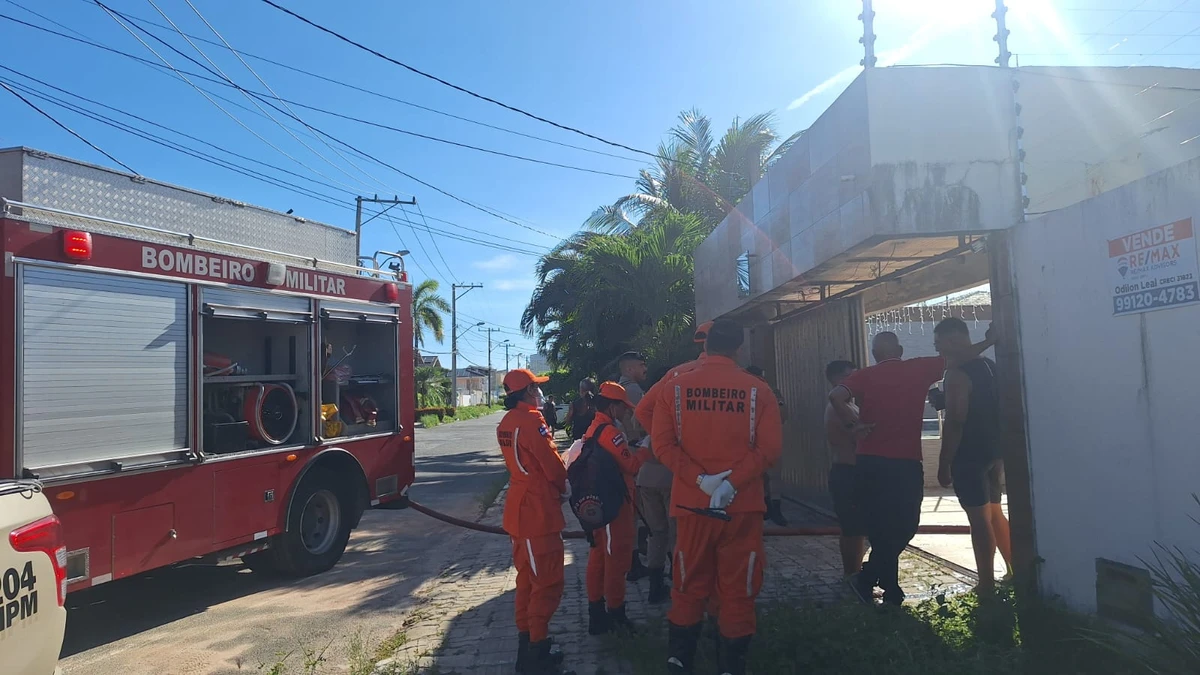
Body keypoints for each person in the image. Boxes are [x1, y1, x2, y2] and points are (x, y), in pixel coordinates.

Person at [652, 319, 783, 675]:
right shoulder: (759, 390)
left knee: (687, 583)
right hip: (741, 508)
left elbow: (662, 445)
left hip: (691, 505)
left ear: (706, 344)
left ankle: (680, 661)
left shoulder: (674, 388)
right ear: (738, 347)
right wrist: (732, 483)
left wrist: (701, 479)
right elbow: (769, 449)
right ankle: (731, 666)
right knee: (739, 588)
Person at [829, 329, 994, 606]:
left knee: (882, 527)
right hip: (905, 462)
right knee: (906, 524)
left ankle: (875, 582)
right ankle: (880, 584)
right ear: (901, 351)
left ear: (874, 354)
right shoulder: (919, 367)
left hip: (870, 461)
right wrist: (989, 341)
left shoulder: (864, 375)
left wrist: (852, 425)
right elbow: (959, 358)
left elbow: (835, 396)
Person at [496, 369, 571, 675]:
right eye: (536, 388)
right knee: (548, 582)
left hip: (520, 508)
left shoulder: (507, 421)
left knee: (527, 582)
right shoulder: (531, 420)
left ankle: (527, 650)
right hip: (537, 511)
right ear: (527, 391)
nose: (540, 394)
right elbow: (551, 463)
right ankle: (537, 654)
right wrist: (564, 484)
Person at [933, 318, 1012, 594]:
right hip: (994, 449)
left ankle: (986, 584)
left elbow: (956, 419)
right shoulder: (990, 366)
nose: (937, 349)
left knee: (978, 520)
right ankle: (1014, 571)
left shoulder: (956, 374)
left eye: (939, 343)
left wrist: (945, 462)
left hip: (969, 453)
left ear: (953, 341)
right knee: (994, 512)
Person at [584, 381, 651, 635]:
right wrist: (645, 449)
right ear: (613, 407)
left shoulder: (594, 427)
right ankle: (615, 613)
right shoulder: (609, 432)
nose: (626, 412)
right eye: (623, 408)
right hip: (615, 506)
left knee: (599, 557)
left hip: (600, 504)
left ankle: (597, 614)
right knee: (616, 560)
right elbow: (631, 467)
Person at [823, 360, 868, 579]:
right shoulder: (837, 407)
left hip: (855, 472)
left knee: (857, 529)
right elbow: (857, 436)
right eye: (849, 376)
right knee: (852, 529)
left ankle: (854, 573)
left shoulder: (851, 405)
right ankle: (852, 575)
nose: (855, 380)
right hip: (846, 472)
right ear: (836, 379)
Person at [616, 351, 653, 585]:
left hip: (627, 452)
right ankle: (633, 563)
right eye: (641, 366)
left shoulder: (621, 389)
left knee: (633, 513)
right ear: (629, 369)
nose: (644, 370)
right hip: (633, 452)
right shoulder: (632, 390)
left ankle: (633, 559)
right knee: (635, 512)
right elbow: (644, 420)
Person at [747, 365, 789, 527]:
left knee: (773, 475)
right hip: (751, 439)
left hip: (767, 437)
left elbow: (784, 414)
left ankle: (775, 508)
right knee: (758, 475)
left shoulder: (771, 391)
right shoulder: (744, 389)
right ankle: (765, 506)